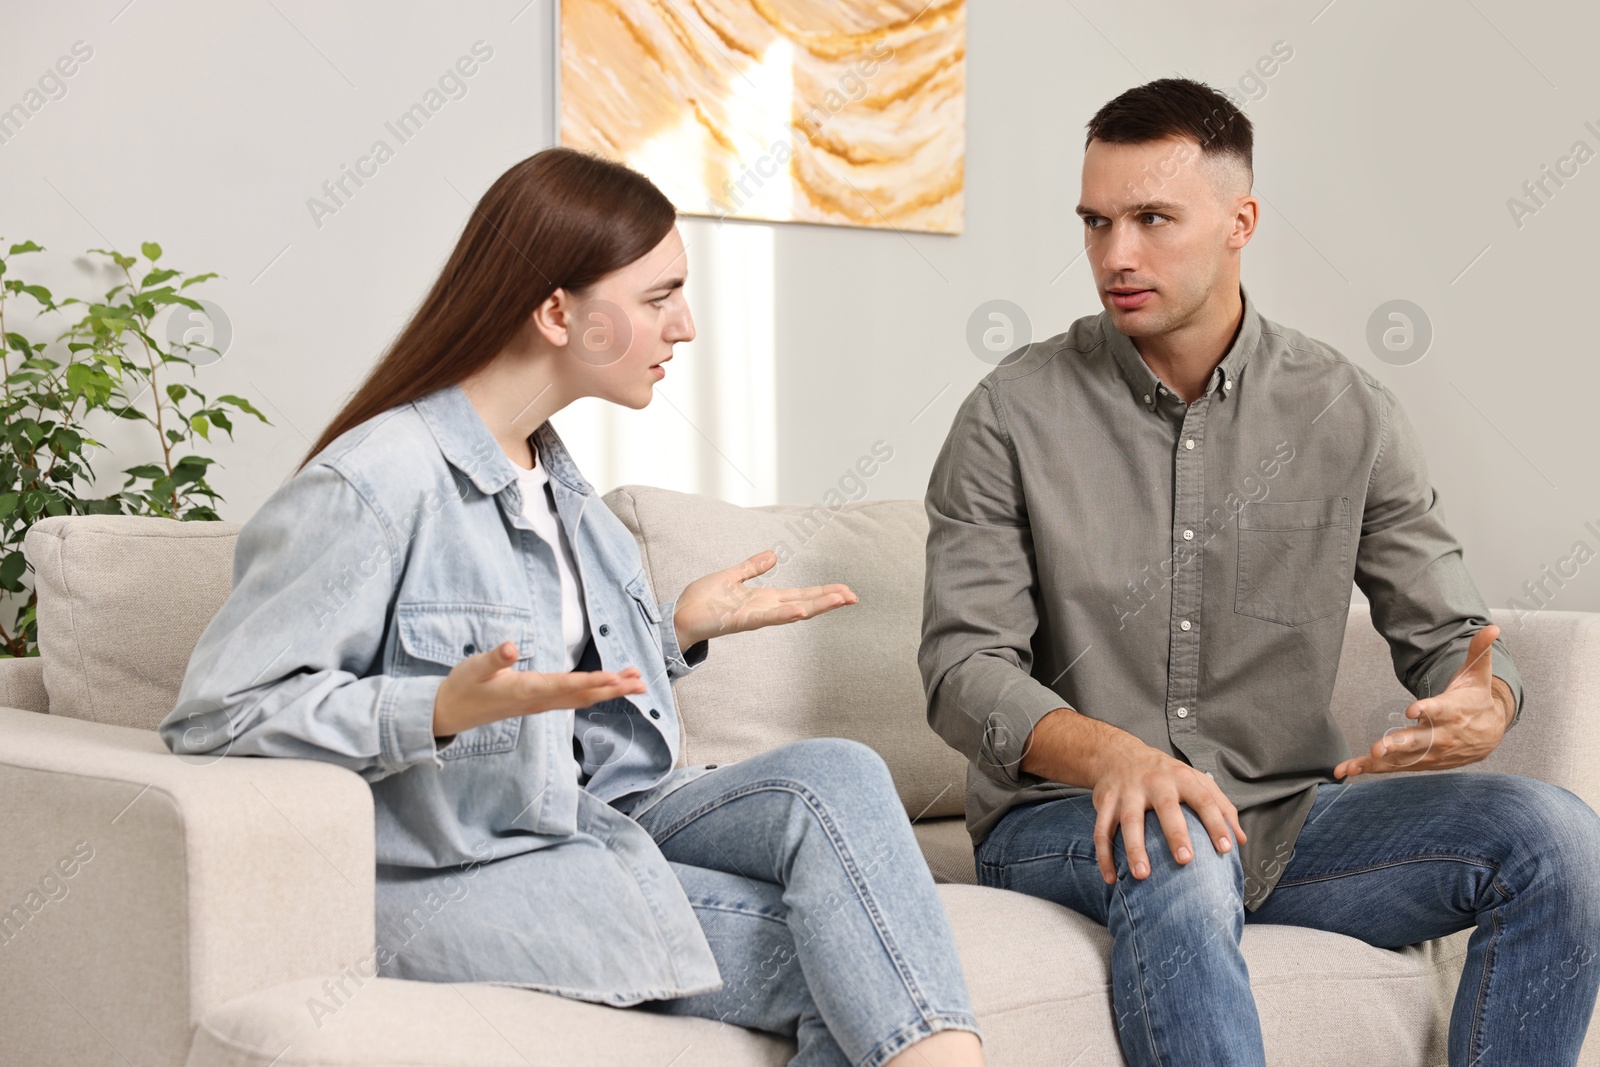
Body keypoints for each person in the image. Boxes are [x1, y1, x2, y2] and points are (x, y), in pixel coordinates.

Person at [159, 146, 984, 1067]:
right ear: (558, 311)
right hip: (470, 866)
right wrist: (430, 709)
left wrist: (671, 631)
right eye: (659, 295)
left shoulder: (565, 495)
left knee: (839, 771)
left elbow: (563, 697)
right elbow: (219, 715)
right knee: (848, 968)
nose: (688, 327)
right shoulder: (379, 483)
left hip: (606, 814)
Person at [918, 77, 1600, 1066]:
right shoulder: (1009, 414)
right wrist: (1119, 757)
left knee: (1554, 833)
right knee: (1174, 832)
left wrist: (1481, 698)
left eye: (1152, 219)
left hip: (1285, 819)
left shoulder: (1344, 409)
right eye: (1096, 221)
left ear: (1239, 221)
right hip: (1071, 821)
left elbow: (1451, 638)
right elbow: (961, 670)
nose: (1116, 255)